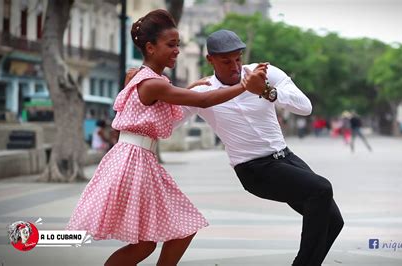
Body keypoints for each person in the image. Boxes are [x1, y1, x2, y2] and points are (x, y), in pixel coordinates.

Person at [66, 11, 267, 266]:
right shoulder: (151, 83)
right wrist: (246, 86)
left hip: (138, 159)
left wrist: (192, 86)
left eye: (178, 45)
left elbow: (177, 97)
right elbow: (203, 100)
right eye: (171, 45)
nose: (177, 51)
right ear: (150, 48)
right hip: (134, 161)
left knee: (157, 239)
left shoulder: (149, 79)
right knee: (165, 235)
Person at [175, 29, 343, 266]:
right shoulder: (202, 93)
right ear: (210, 60)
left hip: (286, 158)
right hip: (254, 169)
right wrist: (182, 89)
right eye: (226, 61)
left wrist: (266, 91)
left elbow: (305, 107)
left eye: (238, 59)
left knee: (333, 222)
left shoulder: (263, 73)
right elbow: (168, 123)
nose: (234, 67)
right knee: (321, 189)